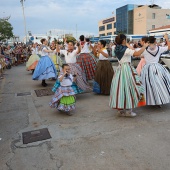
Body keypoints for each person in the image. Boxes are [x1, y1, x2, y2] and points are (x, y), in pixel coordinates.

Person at [109, 34, 148, 117]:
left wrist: (126, 44)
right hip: (127, 69)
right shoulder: (125, 50)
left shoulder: (116, 48)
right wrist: (144, 46)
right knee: (131, 88)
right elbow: (137, 53)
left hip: (120, 69)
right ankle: (129, 111)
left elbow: (132, 50)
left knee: (120, 89)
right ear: (123, 40)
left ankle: (120, 110)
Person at [141, 34, 170, 106]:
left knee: (148, 85)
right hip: (157, 68)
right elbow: (169, 47)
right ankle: (159, 100)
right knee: (159, 84)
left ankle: (150, 100)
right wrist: (167, 38)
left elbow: (137, 53)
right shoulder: (159, 48)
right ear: (154, 41)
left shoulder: (144, 49)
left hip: (147, 68)